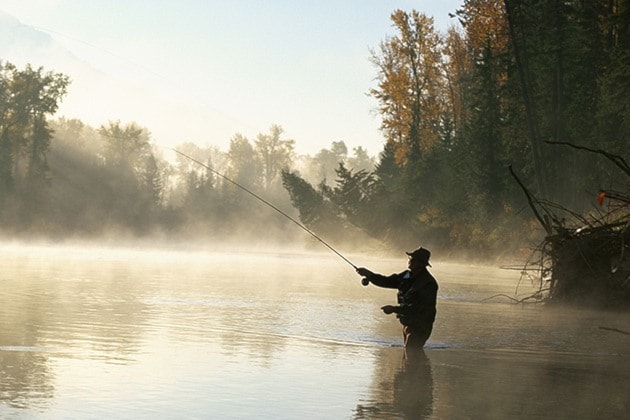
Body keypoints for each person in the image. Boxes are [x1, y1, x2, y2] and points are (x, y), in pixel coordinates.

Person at [356, 247, 438, 348]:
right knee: (408, 358)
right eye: (410, 258)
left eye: (414, 259)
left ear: (421, 264)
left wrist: (394, 309)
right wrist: (369, 274)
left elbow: (419, 309)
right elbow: (387, 281)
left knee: (411, 353)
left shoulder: (428, 283)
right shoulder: (406, 275)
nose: (410, 260)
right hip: (408, 323)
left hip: (421, 326)